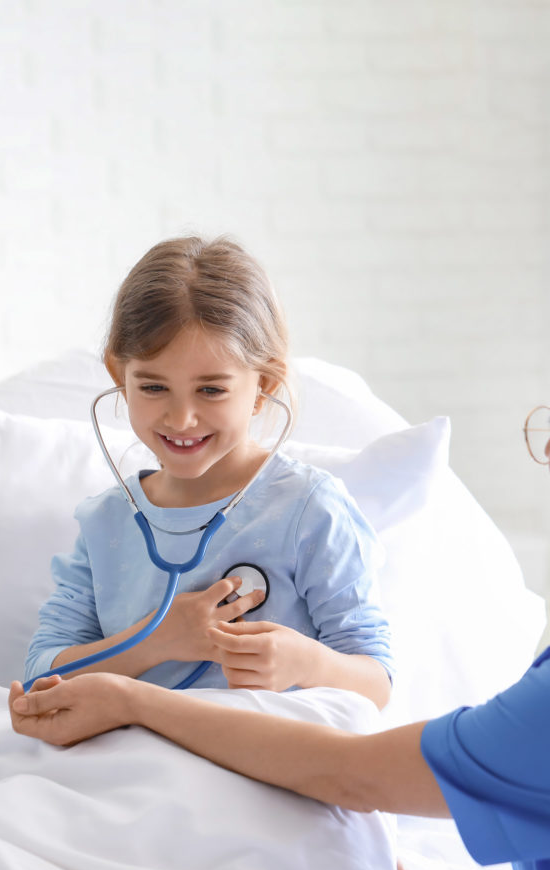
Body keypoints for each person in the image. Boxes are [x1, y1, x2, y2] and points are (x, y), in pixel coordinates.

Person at [10, 287, 550, 870]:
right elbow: (48, 664)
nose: (545, 449)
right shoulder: (106, 521)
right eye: (152, 385)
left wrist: (137, 699)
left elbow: (350, 767)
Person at [22, 235, 393, 709]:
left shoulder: (308, 508)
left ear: (265, 385)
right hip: (130, 761)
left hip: (257, 764)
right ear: (119, 375)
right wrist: (155, 640)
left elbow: (376, 683)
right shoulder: (106, 522)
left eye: (212, 390)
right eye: (154, 386)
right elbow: (40, 676)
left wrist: (308, 663)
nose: (180, 419)